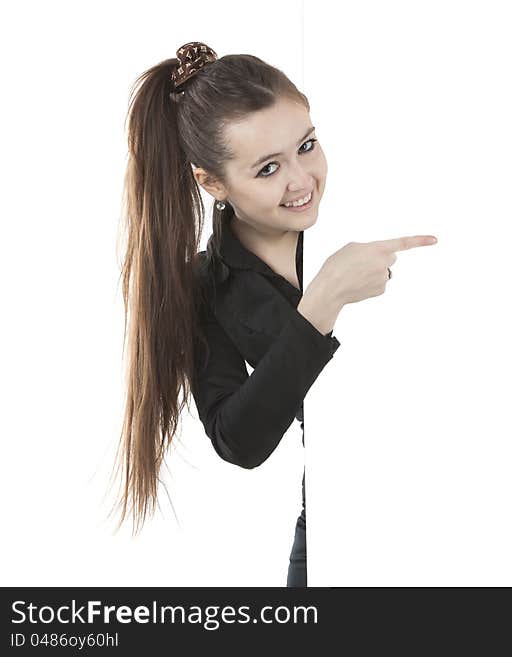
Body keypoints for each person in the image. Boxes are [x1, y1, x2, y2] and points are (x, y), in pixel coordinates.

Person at [110, 42, 438, 586]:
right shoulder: (206, 286)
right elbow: (238, 439)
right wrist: (320, 305)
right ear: (213, 183)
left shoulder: (379, 206)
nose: (302, 180)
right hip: (338, 531)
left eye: (306, 146)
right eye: (267, 169)